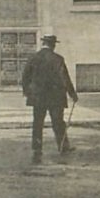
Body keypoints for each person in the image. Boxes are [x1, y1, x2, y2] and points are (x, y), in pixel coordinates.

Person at [22, 34, 78, 163]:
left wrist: (27, 92)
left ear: (43, 44)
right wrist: (72, 94)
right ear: (53, 45)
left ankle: (37, 148)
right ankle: (63, 146)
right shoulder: (58, 59)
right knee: (58, 122)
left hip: (38, 97)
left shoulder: (33, 58)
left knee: (38, 123)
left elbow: (25, 77)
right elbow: (65, 78)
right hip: (56, 97)